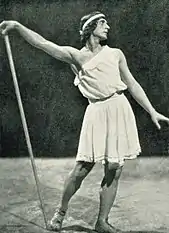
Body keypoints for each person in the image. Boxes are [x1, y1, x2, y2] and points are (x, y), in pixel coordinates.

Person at [0, 11, 169, 233]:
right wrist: (18, 26)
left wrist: (152, 111)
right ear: (90, 28)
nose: (107, 26)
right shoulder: (76, 57)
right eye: (102, 22)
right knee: (82, 168)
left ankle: (102, 221)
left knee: (114, 168)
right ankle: (60, 212)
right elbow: (42, 43)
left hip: (118, 108)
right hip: (97, 112)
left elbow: (133, 84)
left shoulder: (116, 54)